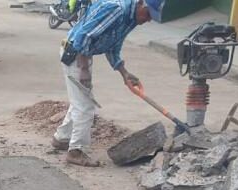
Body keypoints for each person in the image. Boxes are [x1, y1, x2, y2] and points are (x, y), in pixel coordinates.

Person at [52, 0, 164, 167]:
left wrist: (124, 73)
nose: (147, 20)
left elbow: (113, 45)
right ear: (141, 3)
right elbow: (83, 36)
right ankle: (76, 151)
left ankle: (62, 138)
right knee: (85, 105)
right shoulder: (116, 9)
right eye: (148, 15)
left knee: (81, 100)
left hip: (83, 53)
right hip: (75, 53)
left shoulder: (131, 18)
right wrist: (83, 68)